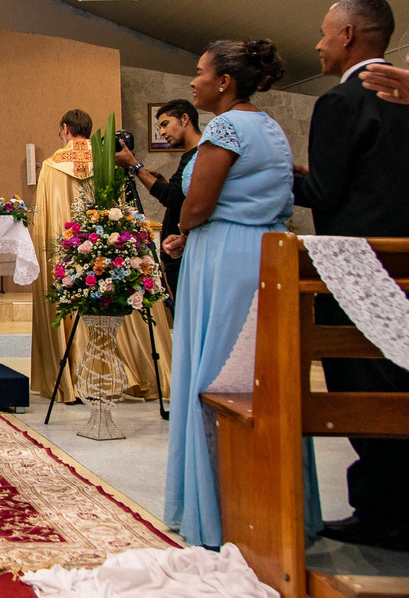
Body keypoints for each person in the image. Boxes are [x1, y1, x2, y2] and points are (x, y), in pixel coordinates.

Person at [161, 39, 320, 548]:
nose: (194, 81)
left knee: (214, 374)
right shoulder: (269, 125)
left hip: (224, 256)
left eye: (200, 71)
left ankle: (218, 510)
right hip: (263, 252)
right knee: (260, 376)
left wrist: (185, 228)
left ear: (224, 81)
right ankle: (270, 502)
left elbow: (196, 203)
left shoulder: (227, 127)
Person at [293, 0, 409, 552]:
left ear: (347, 35)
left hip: (359, 267)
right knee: (405, 383)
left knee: (361, 386)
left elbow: (326, 193)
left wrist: (280, 175)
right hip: (407, 261)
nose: (317, 45)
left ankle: (384, 511)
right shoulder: (408, 102)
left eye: (323, 34)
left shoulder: (343, 100)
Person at [30, 110, 171, 404]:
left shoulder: (52, 166)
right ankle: (123, 371)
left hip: (71, 250)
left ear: (65, 129)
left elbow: (45, 221)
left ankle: (75, 375)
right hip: (106, 250)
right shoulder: (108, 162)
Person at [115, 100, 201, 297]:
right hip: (178, 251)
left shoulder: (200, 156)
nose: (162, 132)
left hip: (185, 254)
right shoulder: (189, 156)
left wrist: (135, 166)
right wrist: (161, 181)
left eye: (165, 124)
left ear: (185, 119)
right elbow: (178, 196)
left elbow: (171, 197)